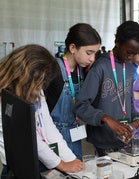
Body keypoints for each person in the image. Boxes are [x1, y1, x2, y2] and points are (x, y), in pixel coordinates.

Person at [0, 44, 84, 178]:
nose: (40, 88)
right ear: (26, 75)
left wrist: (70, 159)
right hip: (18, 169)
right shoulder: (7, 101)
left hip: (42, 161)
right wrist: (61, 164)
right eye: (39, 82)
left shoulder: (34, 88)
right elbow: (31, 138)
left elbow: (48, 126)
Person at [74, 20, 139, 156]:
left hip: (124, 141)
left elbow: (129, 103)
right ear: (117, 42)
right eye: (129, 52)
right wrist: (105, 118)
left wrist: (137, 120)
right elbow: (81, 106)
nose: (130, 57)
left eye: (134, 53)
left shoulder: (129, 67)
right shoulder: (100, 67)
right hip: (102, 142)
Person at [44, 23, 101, 160]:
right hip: (53, 136)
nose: (92, 59)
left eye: (95, 53)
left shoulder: (82, 71)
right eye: (89, 53)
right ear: (73, 48)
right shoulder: (52, 70)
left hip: (74, 133)